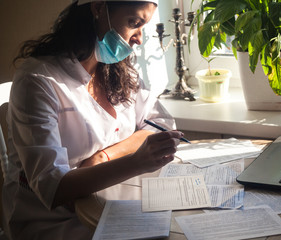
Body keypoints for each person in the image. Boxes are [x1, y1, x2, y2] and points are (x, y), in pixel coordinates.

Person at [2, 0, 184, 239]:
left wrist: (102, 157)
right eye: (134, 23)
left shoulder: (120, 70)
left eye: (143, 26)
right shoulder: (38, 80)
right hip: (56, 223)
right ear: (98, 8)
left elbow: (161, 124)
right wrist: (135, 161)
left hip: (112, 204)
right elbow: (53, 188)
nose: (139, 38)